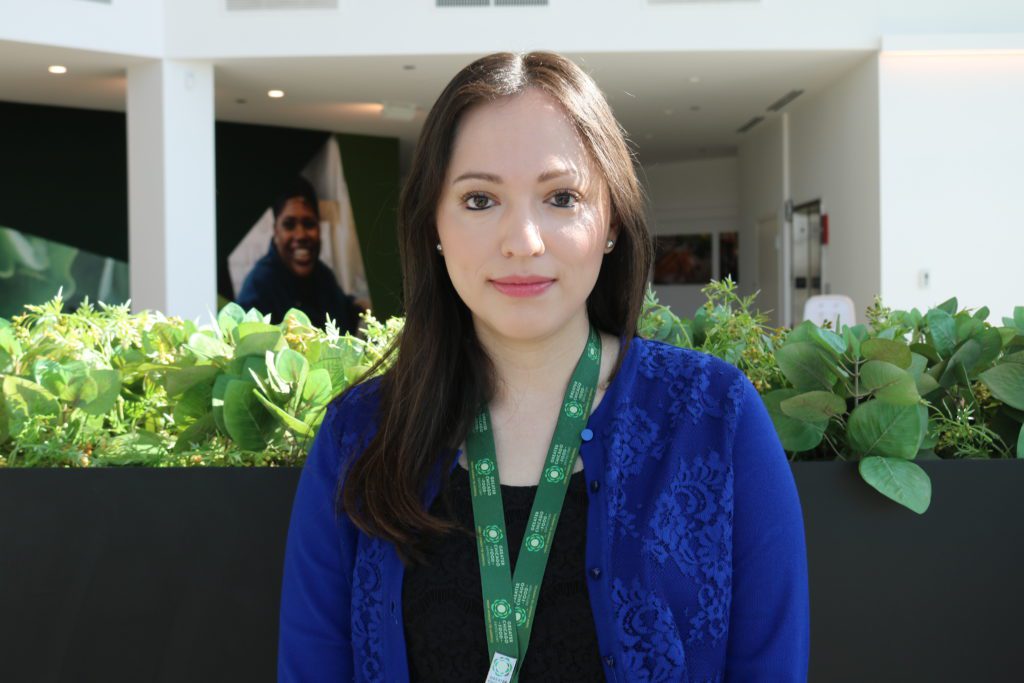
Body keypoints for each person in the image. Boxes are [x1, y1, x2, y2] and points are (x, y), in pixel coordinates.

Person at [278, 51, 809, 682]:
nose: (523, 239)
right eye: (480, 199)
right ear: (434, 227)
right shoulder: (358, 438)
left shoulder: (716, 418)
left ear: (610, 219)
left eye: (561, 197)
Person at [236, 177, 363, 333]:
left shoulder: (324, 277)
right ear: (276, 231)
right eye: (289, 225)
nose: (301, 235)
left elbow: (344, 315)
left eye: (309, 223)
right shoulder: (259, 287)